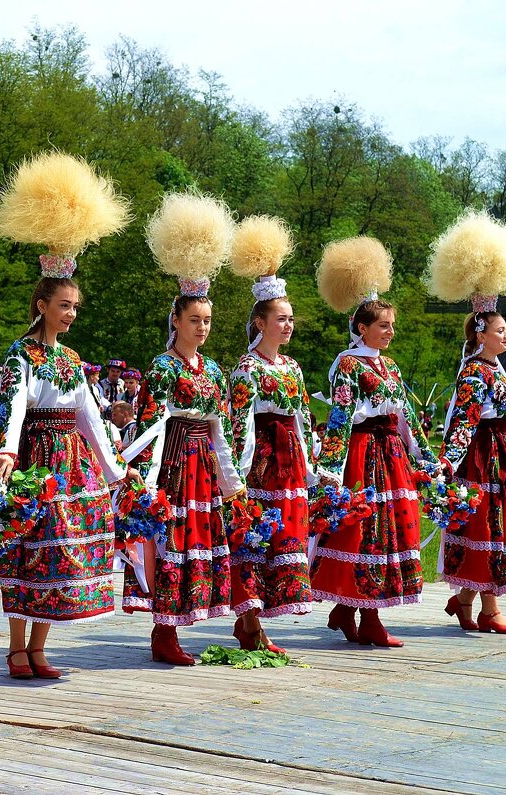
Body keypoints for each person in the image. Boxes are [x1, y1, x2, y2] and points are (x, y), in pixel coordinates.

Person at [0, 151, 134, 678]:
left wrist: (116, 469)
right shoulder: (22, 354)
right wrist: (6, 451)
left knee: (62, 548)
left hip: (70, 460)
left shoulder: (71, 359)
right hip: (36, 456)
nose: (71, 314)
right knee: (31, 545)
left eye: (76, 307)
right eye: (64, 305)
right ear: (43, 304)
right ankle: (16, 647)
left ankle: (40, 647)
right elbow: (16, 403)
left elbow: (91, 416)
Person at [123, 192, 244, 665]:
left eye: (208, 320)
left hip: (204, 464)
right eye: (194, 319)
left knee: (198, 540)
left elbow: (223, 427)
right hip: (173, 460)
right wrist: (146, 481)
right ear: (175, 320)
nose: (202, 327)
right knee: (171, 537)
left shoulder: (213, 370)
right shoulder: (162, 366)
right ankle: (163, 630)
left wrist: (231, 480)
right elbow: (151, 423)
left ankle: (179, 624)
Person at [310, 236, 441, 648]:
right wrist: (330, 468)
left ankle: (351, 611)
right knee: (367, 531)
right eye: (383, 325)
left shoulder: (392, 367)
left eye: (392, 325)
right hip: (364, 454)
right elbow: (342, 415)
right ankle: (365, 615)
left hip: (391, 454)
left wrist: (425, 455)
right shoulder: (348, 363)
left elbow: (406, 416)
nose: (390, 331)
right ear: (361, 327)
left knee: (391, 530)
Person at [430, 210, 506, 635]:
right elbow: (463, 421)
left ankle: (463, 599)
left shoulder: (498, 370)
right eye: (501, 329)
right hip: (485, 457)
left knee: (499, 527)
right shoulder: (474, 372)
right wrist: (446, 465)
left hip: (505, 454)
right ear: (480, 333)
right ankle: (489, 610)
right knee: (489, 528)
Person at [226, 215, 316, 654]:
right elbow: (238, 422)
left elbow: (302, 419)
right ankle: (251, 622)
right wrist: (238, 476)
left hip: (290, 462)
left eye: (291, 319)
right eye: (281, 318)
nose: (288, 326)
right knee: (256, 537)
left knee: (284, 536)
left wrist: (314, 465)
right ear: (260, 322)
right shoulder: (247, 368)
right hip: (262, 460)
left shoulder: (292, 367)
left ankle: (254, 624)